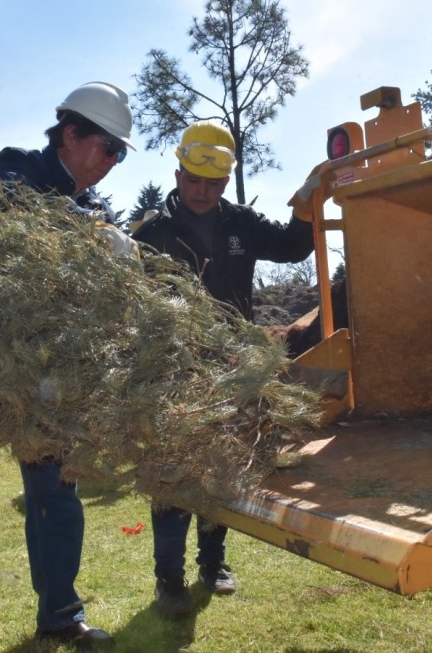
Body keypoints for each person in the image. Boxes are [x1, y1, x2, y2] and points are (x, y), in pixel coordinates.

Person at [0, 82, 136, 653]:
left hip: (47, 380)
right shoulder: (16, 170)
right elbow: (12, 216)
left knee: (56, 500)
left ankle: (61, 615)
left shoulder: (96, 209)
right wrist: (95, 237)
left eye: (120, 154)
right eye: (108, 149)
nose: (113, 164)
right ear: (72, 134)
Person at [132, 121, 315, 616]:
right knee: (172, 471)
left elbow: (294, 247)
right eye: (194, 180)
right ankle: (168, 577)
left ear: (225, 182)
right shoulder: (152, 234)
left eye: (213, 184)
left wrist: (306, 207)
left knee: (221, 469)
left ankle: (213, 563)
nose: (203, 191)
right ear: (177, 175)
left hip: (235, 367)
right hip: (174, 371)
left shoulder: (242, 223)